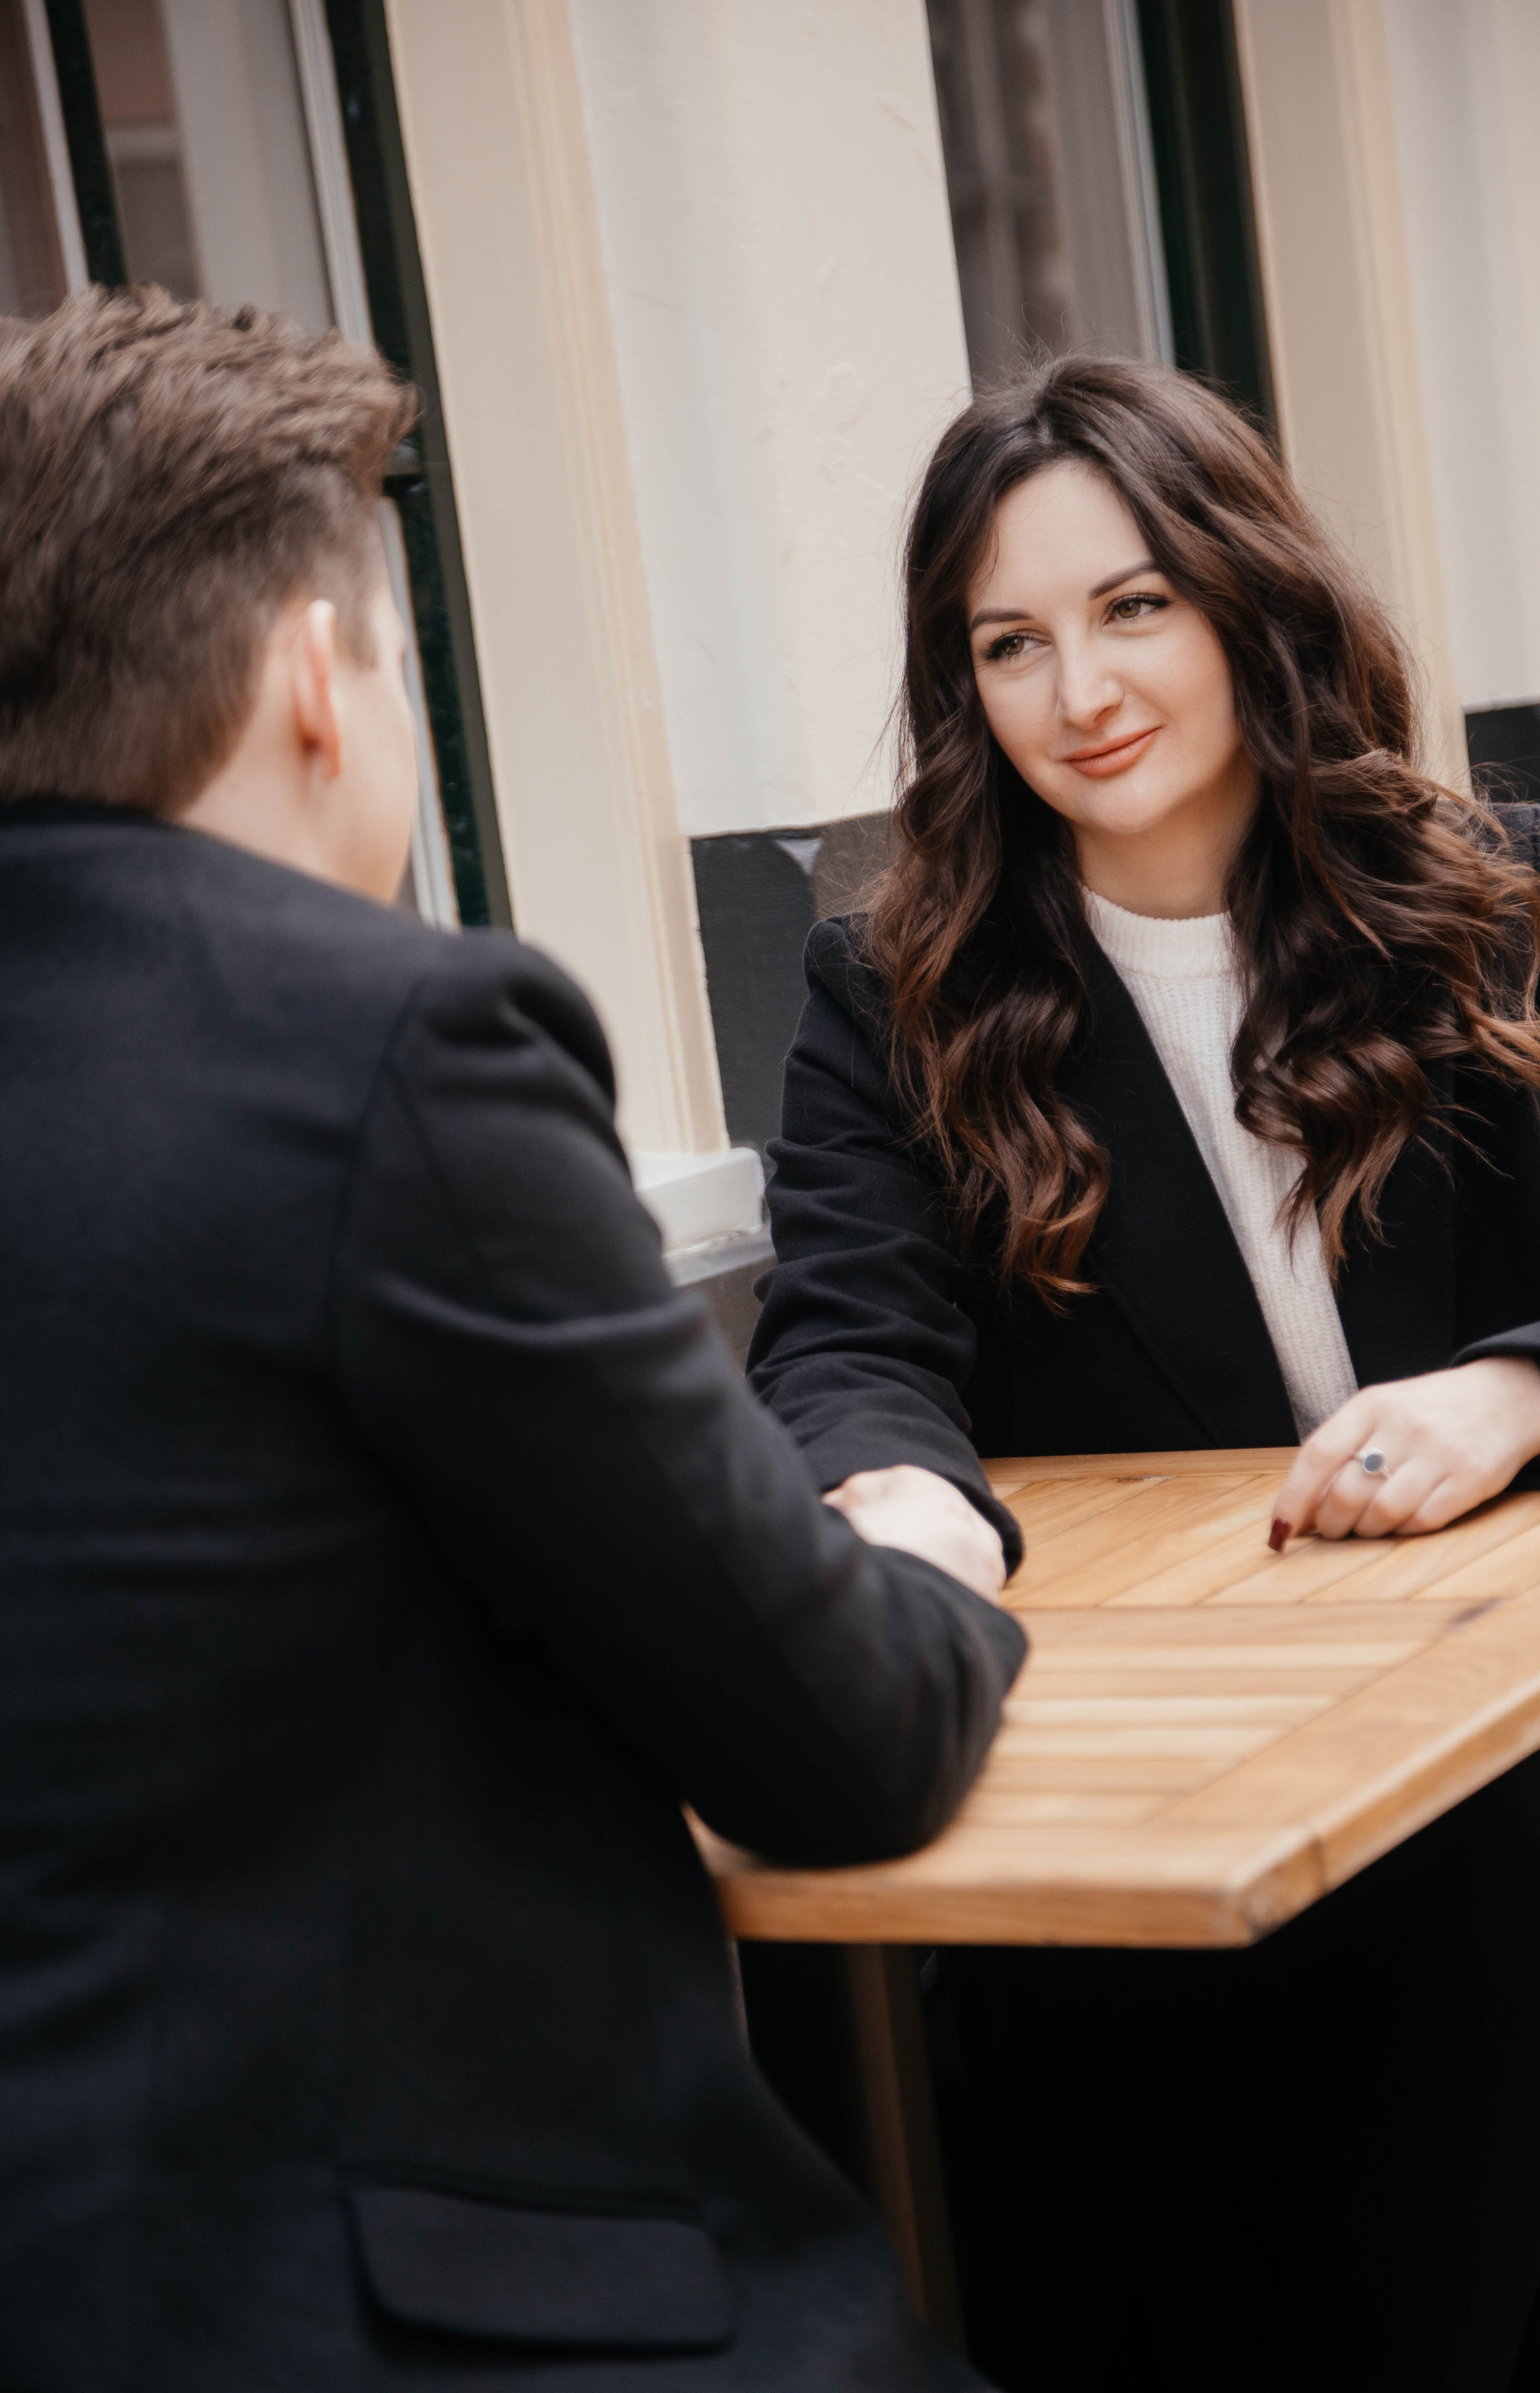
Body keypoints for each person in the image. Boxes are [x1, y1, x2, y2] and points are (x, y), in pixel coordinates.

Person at [0, 287, 1025, 2392]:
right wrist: (935, 1560)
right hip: (409, 2309)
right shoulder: (390, 1044)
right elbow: (838, 1742)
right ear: (321, 678)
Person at [748, 356, 1540, 2393]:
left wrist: (1526, 1391)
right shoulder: (897, 989)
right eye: (1009, 643)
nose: (1082, 691)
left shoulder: (1489, 907)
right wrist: (902, 1502)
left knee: (1487, 1976)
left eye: (1134, 607)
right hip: (1171, 1789)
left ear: (1244, 601)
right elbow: (851, 1336)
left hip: (1512, 1753)